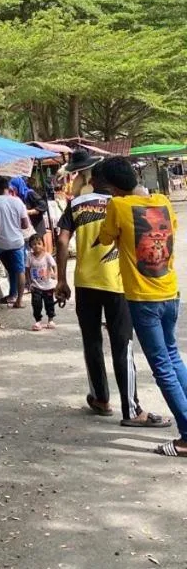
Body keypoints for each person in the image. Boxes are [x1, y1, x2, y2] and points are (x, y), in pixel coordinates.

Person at [55, 149, 162, 427]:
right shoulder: (124, 202)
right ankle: (132, 408)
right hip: (118, 282)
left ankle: (100, 398)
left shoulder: (76, 204)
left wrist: (61, 279)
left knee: (91, 341)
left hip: (85, 282)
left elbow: (63, 241)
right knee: (122, 344)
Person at [95, 156, 187, 458]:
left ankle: (186, 437)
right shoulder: (162, 201)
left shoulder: (117, 207)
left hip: (143, 299)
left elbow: (105, 238)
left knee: (162, 366)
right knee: (173, 358)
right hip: (170, 293)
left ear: (110, 187)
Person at [0, 176, 29, 307]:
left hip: (1, 242)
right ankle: (18, 300)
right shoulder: (18, 201)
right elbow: (25, 224)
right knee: (19, 270)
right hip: (18, 242)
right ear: (8, 188)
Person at [27, 231, 57, 331]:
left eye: (39, 243)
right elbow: (27, 269)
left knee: (49, 303)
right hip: (36, 286)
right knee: (36, 304)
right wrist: (29, 282)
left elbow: (53, 265)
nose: (36, 246)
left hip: (48, 285)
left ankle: (50, 320)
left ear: (43, 245)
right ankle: (38, 321)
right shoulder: (29, 257)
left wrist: (55, 275)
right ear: (30, 246)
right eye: (34, 244)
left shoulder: (47, 256)